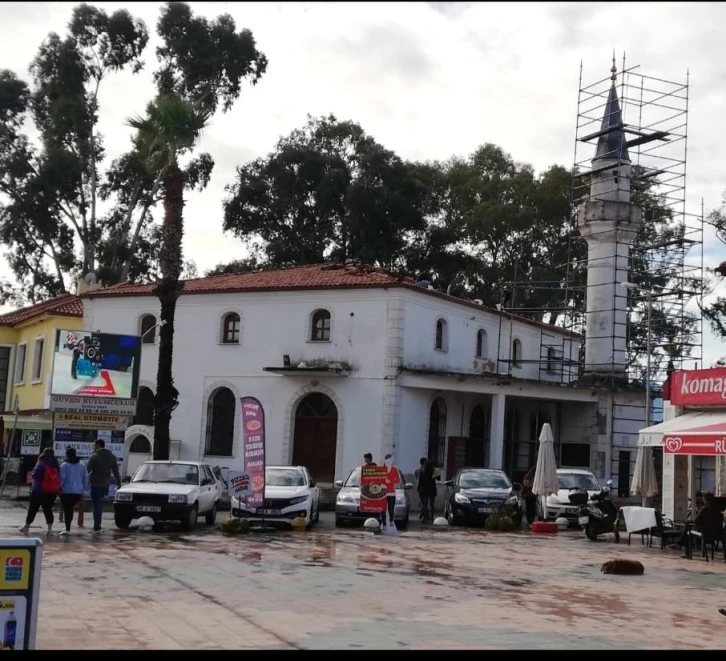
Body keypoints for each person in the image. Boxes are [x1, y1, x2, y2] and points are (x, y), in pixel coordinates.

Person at [19, 448, 61, 536]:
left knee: (33, 509)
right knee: (48, 510)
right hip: (51, 491)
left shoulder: (41, 463)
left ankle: (26, 527)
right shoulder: (56, 464)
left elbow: (35, 475)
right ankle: (49, 529)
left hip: (38, 490)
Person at [86, 439, 121, 533]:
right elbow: (116, 471)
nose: (93, 447)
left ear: (97, 445)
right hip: (106, 483)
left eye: (94, 445)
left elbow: (87, 470)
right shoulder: (112, 456)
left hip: (95, 483)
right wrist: (119, 483)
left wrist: (83, 481)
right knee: (99, 503)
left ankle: (97, 525)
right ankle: (98, 524)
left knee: (96, 504)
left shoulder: (95, 456)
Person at [59, 447, 90, 536]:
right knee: (70, 509)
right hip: (77, 491)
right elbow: (86, 477)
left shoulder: (64, 465)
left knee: (67, 509)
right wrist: (83, 489)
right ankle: (67, 527)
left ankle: (67, 528)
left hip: (66, 490)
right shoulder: (82, 465)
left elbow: (62, 478)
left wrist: (59, 488)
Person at [383, 454, 398, 529]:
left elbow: (397, 480)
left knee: (391, 509)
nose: (390, 461)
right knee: (383, 509)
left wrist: (391, 482)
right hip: (383, 493)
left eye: (391, 460)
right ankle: (384, 523)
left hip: (391, 493)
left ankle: (391, 520)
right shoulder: (382, 469)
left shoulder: (394, 469)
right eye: (388, 460)